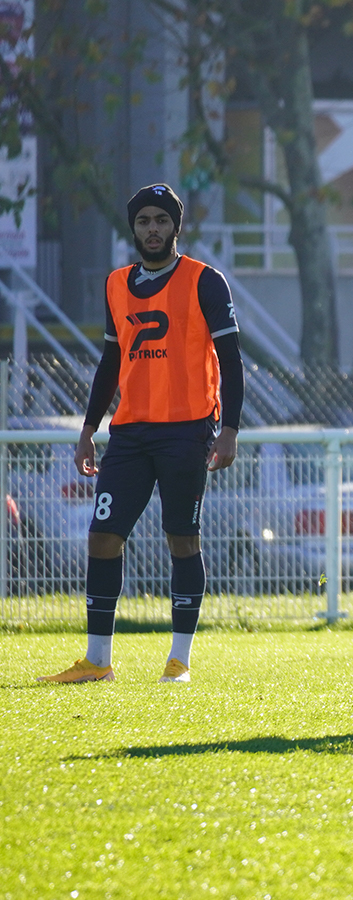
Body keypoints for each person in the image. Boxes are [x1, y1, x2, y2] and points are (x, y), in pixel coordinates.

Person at [38, 183, 245, 685]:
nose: (152, 229)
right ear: (133, 228)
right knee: (103, 537)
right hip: (128, 433)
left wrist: (230, 430)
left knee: (181, 539)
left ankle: (179, 661)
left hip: (187, 430)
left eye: (161, 220)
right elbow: (111, 362)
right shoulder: (115, 285)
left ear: (176, 226)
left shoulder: (205, 281)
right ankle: (97, 661)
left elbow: (231, 361)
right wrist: (89, 428)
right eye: (143, 221)